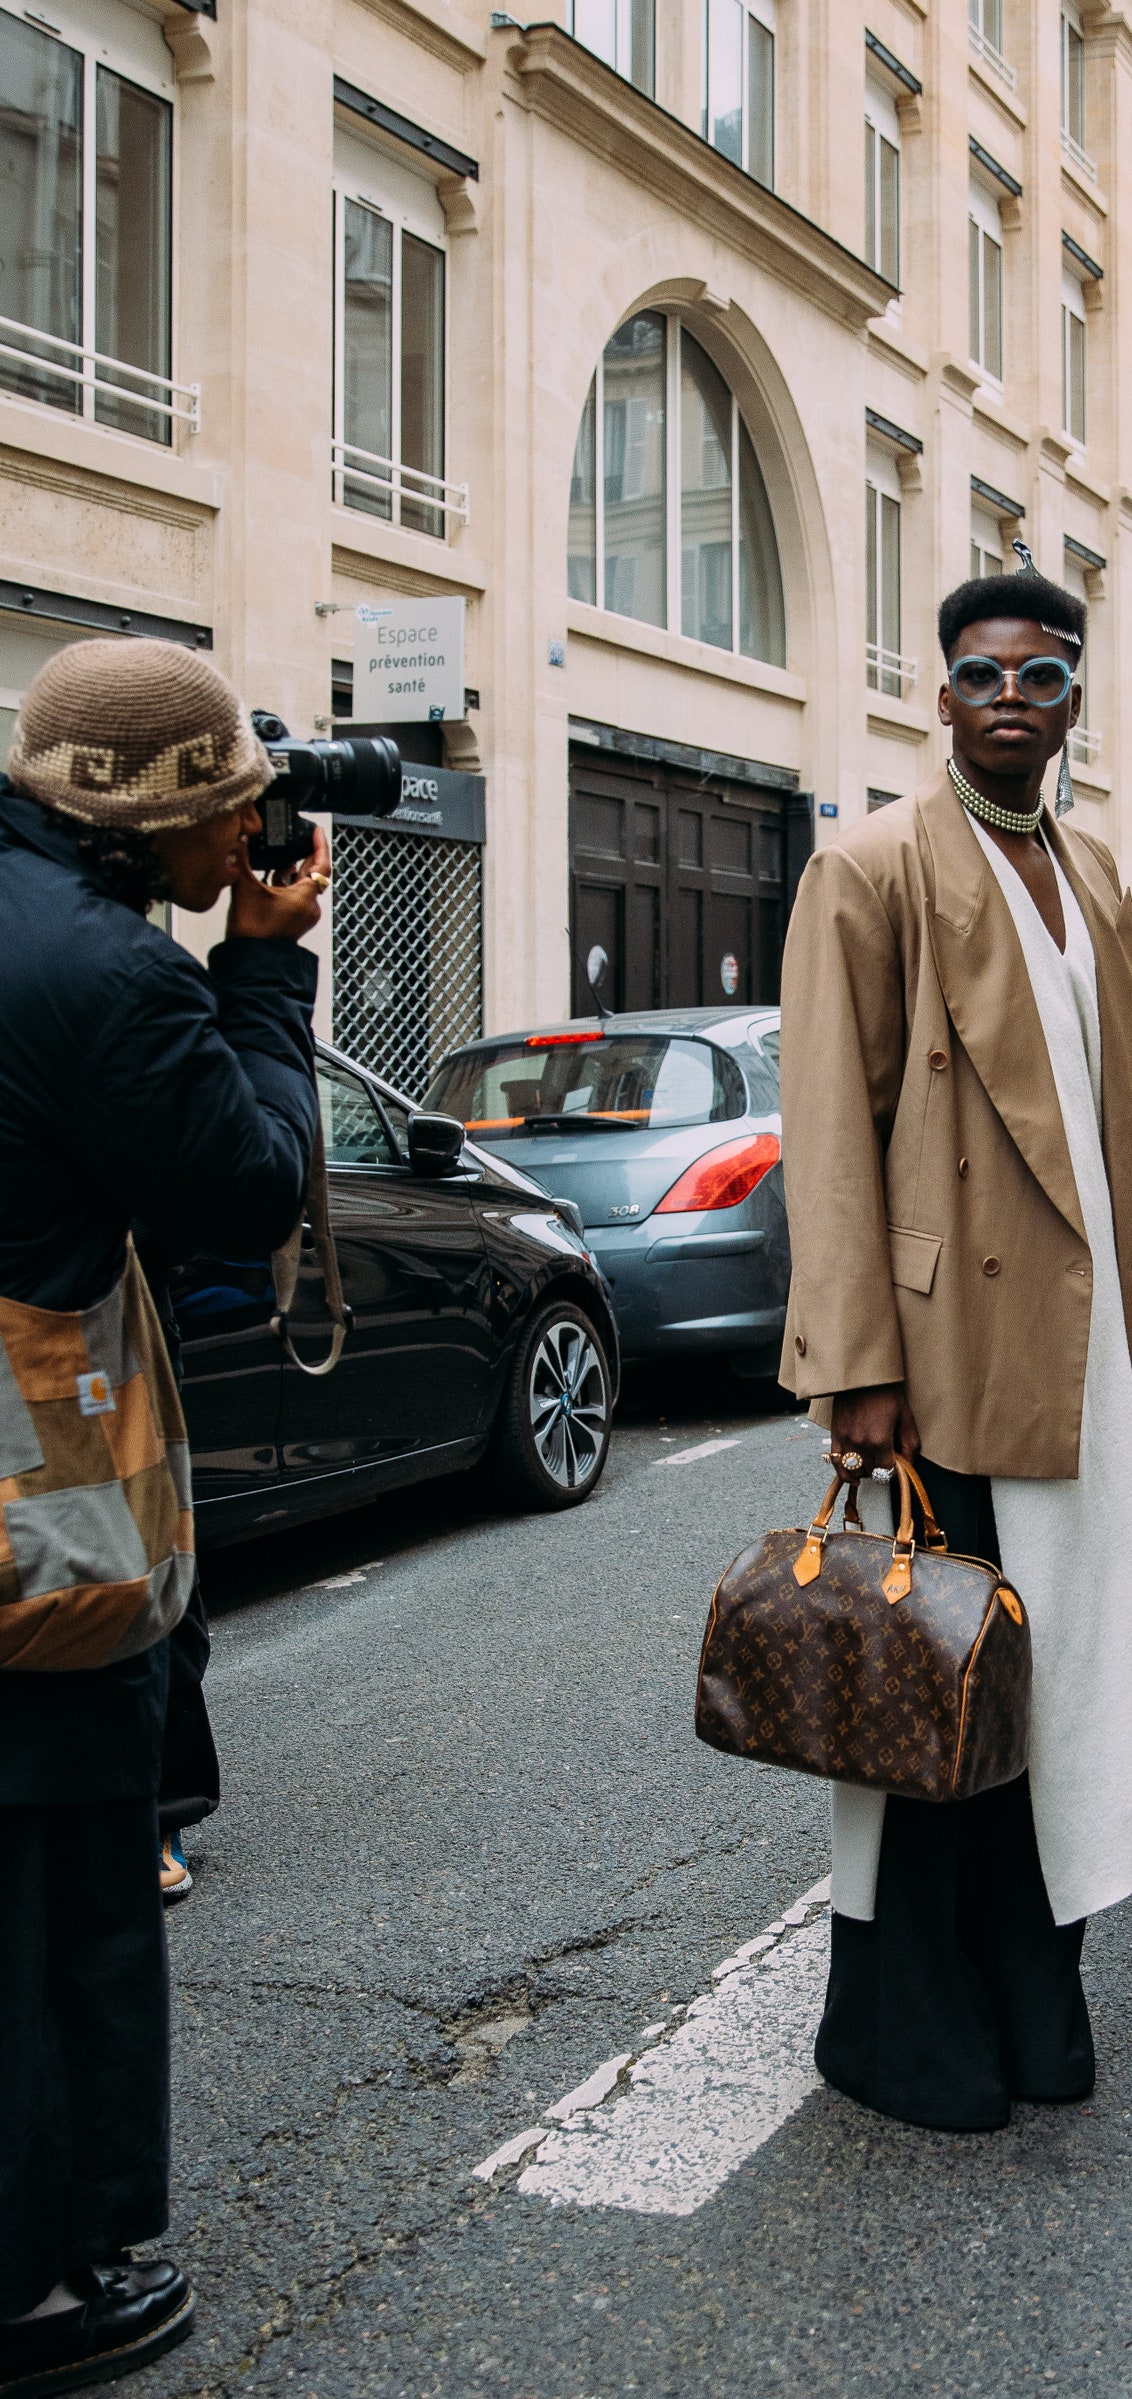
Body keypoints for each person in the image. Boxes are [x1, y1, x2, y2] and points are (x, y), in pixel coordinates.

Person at [778, 571, 1132, 2133]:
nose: (1012, 696)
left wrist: (1128, 1335)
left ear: (1074, 704)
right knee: (937, 1680)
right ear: (940, 697)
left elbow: (1117, 1121)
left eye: (1043, 674)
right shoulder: (870, 865)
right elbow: (830, 1132)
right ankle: (897, 2026)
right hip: (943, 1350)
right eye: (983, 674)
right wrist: (855, 1365)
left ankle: (1030, 1994)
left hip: (1077, 1347)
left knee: (1056, 1684)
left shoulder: (1096, 872)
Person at [0, 640, 325, 2393]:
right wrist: (263, 975)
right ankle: (40, 2280)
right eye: (232, 807)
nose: (251, 836)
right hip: (30, 1513)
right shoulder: (113, 970)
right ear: (153, 819)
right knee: (61, 1885)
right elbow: (249, 1186)